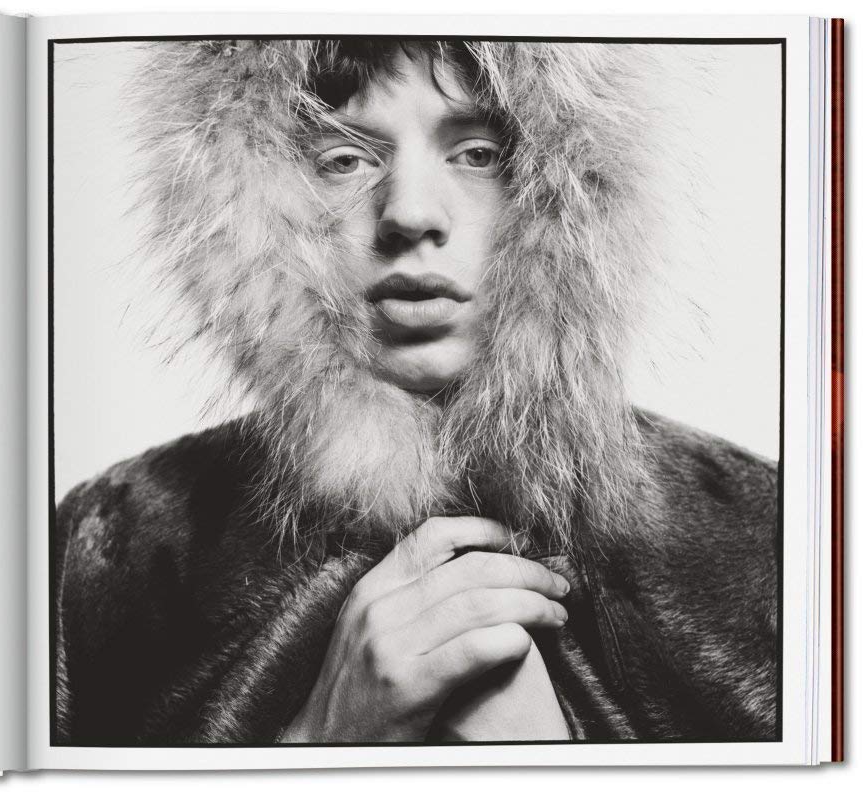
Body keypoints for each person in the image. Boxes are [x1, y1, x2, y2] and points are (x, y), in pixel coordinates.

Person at [50, 40, 780, 744]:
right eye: (343, 160)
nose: (409, 213)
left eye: (479, 154)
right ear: (253, 205)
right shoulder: (113, 555)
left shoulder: (768, 539)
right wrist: (325, 741)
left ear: (577, 193)